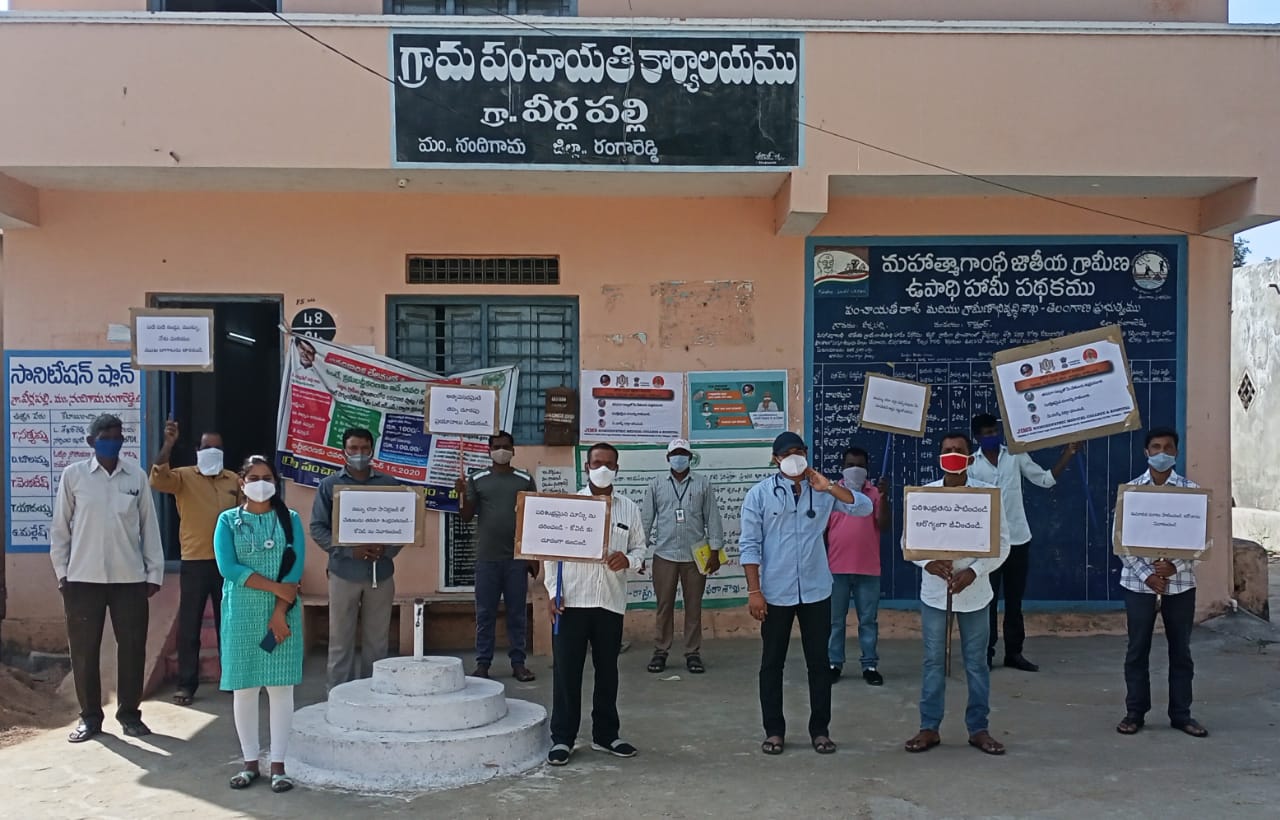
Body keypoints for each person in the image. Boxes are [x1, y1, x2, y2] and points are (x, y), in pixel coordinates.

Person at [740, 432, 873, 756]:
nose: (793, 457)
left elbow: (863, 507)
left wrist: (827, 485)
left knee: (819, 663)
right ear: (775, 459)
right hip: (775, 591)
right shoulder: (760, 494)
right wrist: (754, 591)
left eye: (799, 451)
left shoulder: (823, 490)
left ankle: (820, 730)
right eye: (786, 453)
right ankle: (774, 731)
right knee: (772, 663)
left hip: (816, 589)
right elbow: (749, 545)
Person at [50, 414, 164, 743]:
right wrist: (62, 573)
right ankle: (89, 717)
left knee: (132, 648)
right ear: (91, 442)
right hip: (82, 579)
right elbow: (60, 530)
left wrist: (154, 572)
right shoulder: (74, 477)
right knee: (85, 650)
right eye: (105, 436)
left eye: (117, 436)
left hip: (130, 579)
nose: (112, 442)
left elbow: (149, 528)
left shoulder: (136, 477)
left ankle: (129, 713)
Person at [903, 432, 1010, 757]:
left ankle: (978, 729)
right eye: (947, 450)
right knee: (933, 661)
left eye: (958, 451)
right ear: (939, 457)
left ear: (970, 457)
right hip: (936, 595)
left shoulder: (987, 495)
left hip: (976, 594)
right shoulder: (924, 496)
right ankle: (929, 727)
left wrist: (973, 572)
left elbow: (1003, 543)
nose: (952, 455)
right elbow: (908, 542)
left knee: (977, 663)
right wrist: (928, 562)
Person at [545, 443, 647, 767]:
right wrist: (552, 591)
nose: (603, 468)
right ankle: (563, 738)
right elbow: (550, 552)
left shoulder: (628, 508)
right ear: (586, 467)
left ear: (617, 468)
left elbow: (641, 548)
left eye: (609, 463)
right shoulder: (569, 506)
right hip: (571, 602)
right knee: (566, 674)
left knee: (608, 672)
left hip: (609, 603)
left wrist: (628, 559)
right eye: (597, 462)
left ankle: (606, 735)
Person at [214, 456, 306, 793]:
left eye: (267, 477)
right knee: (245, 688)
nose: (260, 483)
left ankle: (279, 765)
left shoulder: (290, 520)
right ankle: (250, 762)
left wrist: (280, 609)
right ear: (242, 482)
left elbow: (294, 570)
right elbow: (229, 568)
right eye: (253, 477)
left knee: (281, 690)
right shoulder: (227, 521)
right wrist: (274, 587)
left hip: (283, 612)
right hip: (241, 613)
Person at [1116, 428, 1208, 738]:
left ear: (1177, 453)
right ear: (1146, 452)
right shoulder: (1130, 492)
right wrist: (1148, 574)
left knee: (1180, 651)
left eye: (1168, 447)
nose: (1161, 453)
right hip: (1138, 583)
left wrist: (1173, 566)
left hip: (1180, 584)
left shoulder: (1192, 492)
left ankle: (1181, 714)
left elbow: (1200, 540)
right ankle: (1135, 712)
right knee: (1136, 650)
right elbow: (1121, 543)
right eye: (1155, 447)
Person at [967, 413, 1077, 672]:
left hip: (1017, 539)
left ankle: (1014, 653)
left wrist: (1069, 453)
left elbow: (1044, 479)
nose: (991, 436)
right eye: (985, 433)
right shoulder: (971, 463)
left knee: (1014, 601)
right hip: (987, 543)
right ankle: (986, 652)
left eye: (994, 431)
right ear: (977, 437)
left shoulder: (1015, 456)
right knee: (987, 600)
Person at [150, 419, 241, 706]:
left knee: (230, 623)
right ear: (197, 450)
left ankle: (233, 679)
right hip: (195, 561)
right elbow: (157, 478)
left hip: (228, 563)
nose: (211, 451)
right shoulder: (183, 477)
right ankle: (187, 684)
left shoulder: (233, 480)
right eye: (206, 447)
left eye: (216, 448)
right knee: (189, 627)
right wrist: (168, 444)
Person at [310, 427, 402, 690]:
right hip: (343, 573)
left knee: (377, 641)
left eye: (364, 449)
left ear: (372, 450)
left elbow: (403, 526)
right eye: (353, 449)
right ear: (343, 451)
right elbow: (318, 528)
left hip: (381, 574)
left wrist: (388, 549)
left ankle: (373, 693)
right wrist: (351, 551)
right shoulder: (329, 486)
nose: (359, 454)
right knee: (340, 640)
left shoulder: (389, 485)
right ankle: (338, 694)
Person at [455, 431, 538, 681]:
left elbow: (533, 517)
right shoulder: (477, 478)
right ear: (489, 450)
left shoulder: (524, 479)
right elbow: (467, 516)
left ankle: (518, 663)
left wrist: (532, 556)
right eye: (497, 446)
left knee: (517, 613)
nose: (502, 450)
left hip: (516, 558)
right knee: (485, 613)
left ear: (513, 450)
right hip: (487, 559)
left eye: (506, 446)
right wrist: (460, 494)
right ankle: (482, 664)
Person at [641, 439, 725, 675]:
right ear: (668, 458)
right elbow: (646, 520)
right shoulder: (656, 484)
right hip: (664, 555)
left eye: (683, 453)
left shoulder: (702, 484)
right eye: (675, 453)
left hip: (695, 556)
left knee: (693, 606)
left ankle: (692, 653)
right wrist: (639, 552)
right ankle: (660, 650)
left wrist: (715, 551)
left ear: (690, 457)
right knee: (664, 605)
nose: (679, 457)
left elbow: (713, 518)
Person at [826, 446, 891, 685]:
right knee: (835, 620)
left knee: (868, 620)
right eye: (850, 464)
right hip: (836, 568)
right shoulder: (832, 492)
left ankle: (870, 665)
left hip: (868, 569)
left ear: (867, 469)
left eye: (861, 465)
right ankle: (833, 663)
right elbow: (823, 530)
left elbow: (884, 526)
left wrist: (884, 498)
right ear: (842, 468)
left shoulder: (874, 493)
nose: (855, 469)